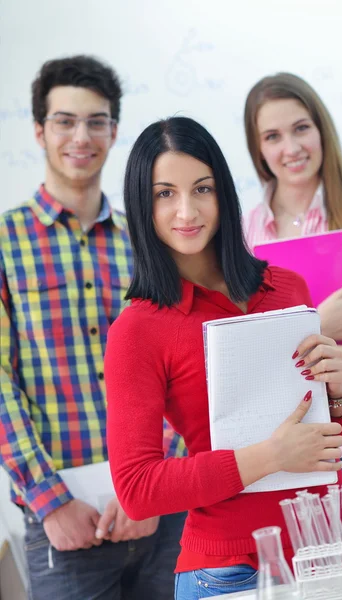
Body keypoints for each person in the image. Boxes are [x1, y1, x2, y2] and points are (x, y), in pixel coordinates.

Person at [104, 116, 342, 599]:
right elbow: (137, 490)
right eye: (164, 194)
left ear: (223, 192)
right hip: (229, 572)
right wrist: (268, 457)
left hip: (327, 547)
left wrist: (339, 391)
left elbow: (324, 435)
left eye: (202, 188)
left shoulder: (287, 288)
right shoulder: (136, 331)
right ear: (141, 205)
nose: (186, 210)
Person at [0, 55, 186, 600]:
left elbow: (185, 364)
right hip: (65, 525)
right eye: (64, 120)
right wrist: (49, 499)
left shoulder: (149, 240)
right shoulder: (5, 243)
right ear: (39, 129)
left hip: (163, 517)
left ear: (114, 130)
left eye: (96, 121)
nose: (81, 136)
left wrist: (155, 489)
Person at [243, 72, 342, 568]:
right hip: (287, 457)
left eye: (301, 128)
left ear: (322, 131)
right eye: (272, 136)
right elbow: (242, 362)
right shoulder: (242, 236)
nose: (290, 147)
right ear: (258, 149)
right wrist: (317, 327)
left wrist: (321, 346)